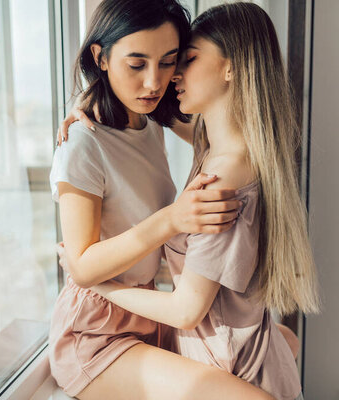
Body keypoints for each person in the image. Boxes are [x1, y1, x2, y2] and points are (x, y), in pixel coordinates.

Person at [83, 3, 319, 400]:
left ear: (231, 68)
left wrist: (97, 285)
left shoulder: (223, 177)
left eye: (187, 60)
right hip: (243, 357)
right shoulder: (223, 147)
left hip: (232, 371)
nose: (173, 74)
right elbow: (144, 108)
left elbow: (186, 311)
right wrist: (85, 106)